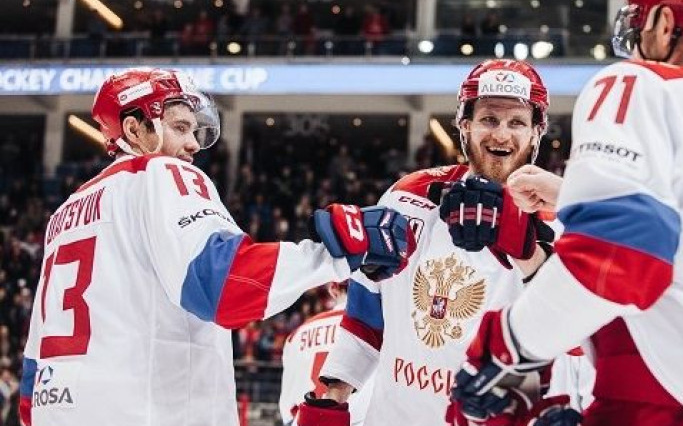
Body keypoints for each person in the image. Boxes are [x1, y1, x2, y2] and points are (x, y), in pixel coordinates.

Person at [446, 0, 683, 424]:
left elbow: (619, 253)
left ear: (665, 22)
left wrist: (506, 345)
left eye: (640, 20)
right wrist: (571, 193)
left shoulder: (641, 84)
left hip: (667, 392)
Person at [19, 68, 413, 426]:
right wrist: (339, 252)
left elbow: (31, 373)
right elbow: (224, 284)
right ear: (134, 129)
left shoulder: (63, 216)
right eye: (179, 127)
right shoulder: (159, 173)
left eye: (195, 130)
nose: (193, 144)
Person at [293, 59, 590, 426]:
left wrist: (532, 252)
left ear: (536, 132)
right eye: (489, 119)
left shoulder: (563, 216)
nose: (501, 135)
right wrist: (334, 394)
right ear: (464, 125)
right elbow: (367, 314)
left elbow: (579, 338)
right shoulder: (407, 198)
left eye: (516, 122)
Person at [279, 282, 374, 425]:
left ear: (333, 289)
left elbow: (287, 406)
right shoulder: (378, 329)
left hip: (306, 420)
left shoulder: (297, 334)